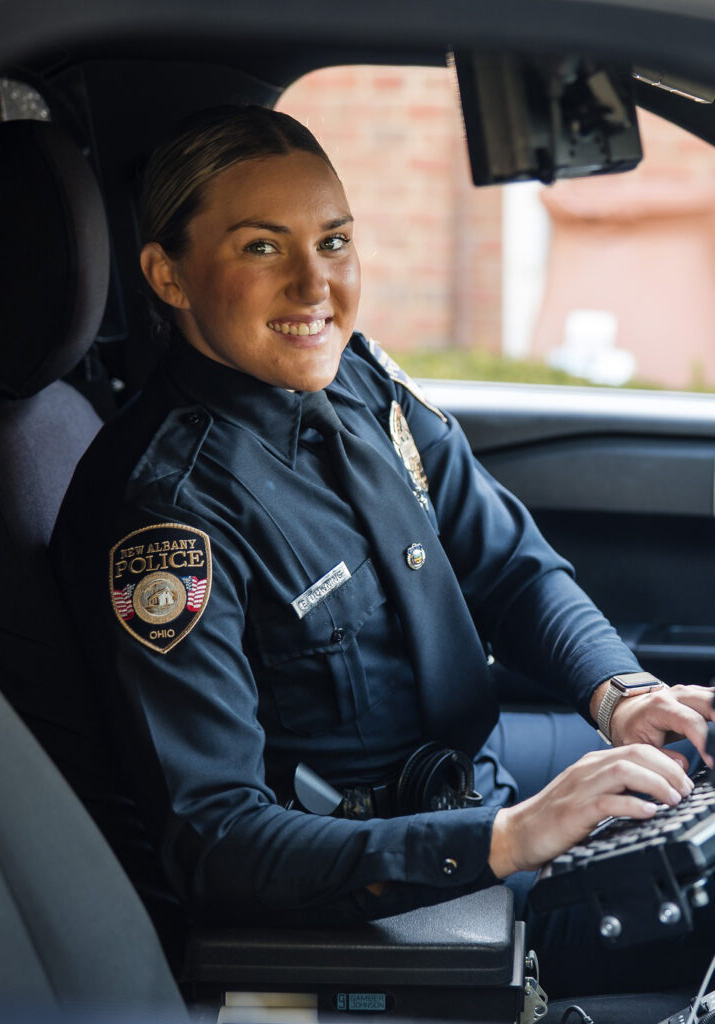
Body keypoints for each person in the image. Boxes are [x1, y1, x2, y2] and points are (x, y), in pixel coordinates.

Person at [50, 105, 715, 992]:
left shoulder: (356, 377)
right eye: (261, 247)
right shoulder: (168, 519)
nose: (313, 285)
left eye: (332, 241)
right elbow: (218, 839)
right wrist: (506, 840)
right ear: (167, 276)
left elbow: (508, 566)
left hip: (470, 789)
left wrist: (621, 696)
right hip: (386, 895)